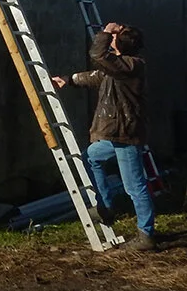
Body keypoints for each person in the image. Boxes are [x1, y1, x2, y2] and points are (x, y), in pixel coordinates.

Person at [52, 21, 157, 251]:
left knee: (134, 186)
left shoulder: (130, 66)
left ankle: (146, 235)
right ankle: (106, 207)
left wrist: (107, 32)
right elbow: (96, 76)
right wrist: (68, 80)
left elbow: (97, 54)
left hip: (125, 135)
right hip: (115, 134)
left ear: (119, 44)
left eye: (115, 39)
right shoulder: (118, 67)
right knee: (91, 157)